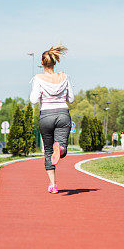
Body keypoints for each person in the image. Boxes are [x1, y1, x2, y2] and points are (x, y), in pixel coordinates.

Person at [30, 44, 74, 194]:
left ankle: (53, 185)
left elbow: (34, 100)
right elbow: (71, 99)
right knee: (61, 147)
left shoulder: (38, 78)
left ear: (42, 63)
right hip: (63, 114)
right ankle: (60, 149)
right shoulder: (64, 77)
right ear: (55, 62)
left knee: (48, 151)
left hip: (46, 115)